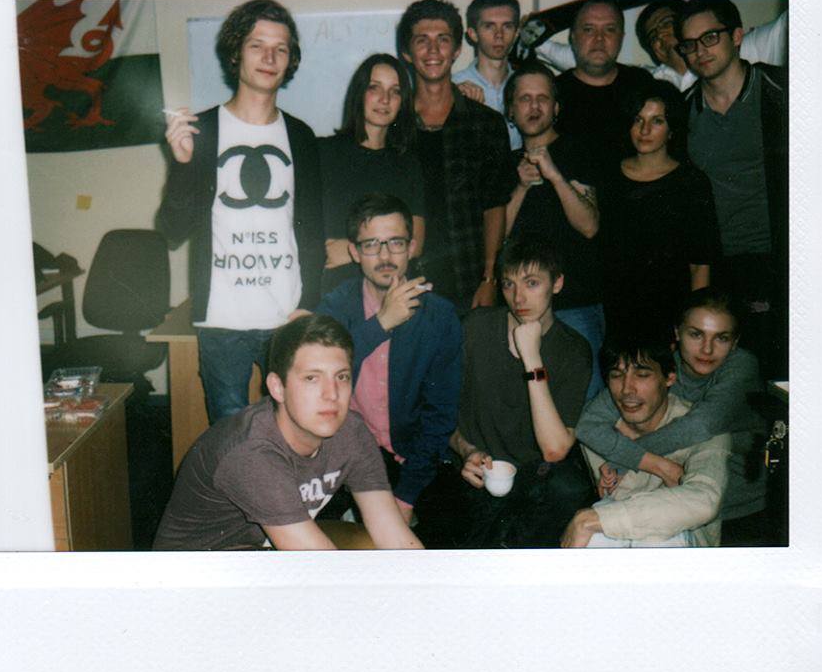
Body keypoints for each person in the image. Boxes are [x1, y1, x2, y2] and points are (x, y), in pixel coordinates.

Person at [154, 0, 324, 424]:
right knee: (230, 437)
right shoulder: (202, 132)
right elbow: (171, 230)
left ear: (290, 60)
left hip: (286, 316)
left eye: (280, 48)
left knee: (294, 429)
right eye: (257, 45)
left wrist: (308, 303)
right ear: (236, 53)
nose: (269, 57)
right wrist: (182, 166)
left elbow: (311, 232)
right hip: (222, 320)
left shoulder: (301, 137)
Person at [153, 314, 424, 551]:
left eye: (341, 376)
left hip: (268, 552)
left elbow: (393, 534)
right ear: (277, 387)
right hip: (201, 574)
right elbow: (319, 565)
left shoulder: (351, 431)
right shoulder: (251, 452)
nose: (332, 394)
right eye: (311, 378)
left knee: (371, 547)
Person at [316, 193, 461, 524]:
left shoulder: (439, 317)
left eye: (395, 243)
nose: (384, 256)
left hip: (409, 460)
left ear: (411, 247)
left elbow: (440, 416)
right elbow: (320, 375)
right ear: (355, 252)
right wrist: (381, 323)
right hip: (342, 453)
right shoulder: (336, 306)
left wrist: (406, 497)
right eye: (371, 245)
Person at [576, 287, 766, 529]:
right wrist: (649, 462)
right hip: (666, 488)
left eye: (721, 338)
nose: (707, 349)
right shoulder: (661, 366)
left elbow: (701, 426)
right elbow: (587, 424)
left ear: (735, 342)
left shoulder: (742, 367)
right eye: (696, 334)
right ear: (677, 332)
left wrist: (622, 461)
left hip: (733, 500)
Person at [449, 234, 595, 548]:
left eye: (531, 283)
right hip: (477, 471)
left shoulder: (573, 350)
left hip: (534, 477)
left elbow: (555, 450)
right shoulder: (475, 328)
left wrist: (532, 358)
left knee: (569, 489)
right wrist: (466, 450)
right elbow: (438, 410)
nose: (518, 298)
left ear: (557, 283)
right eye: (508, 284)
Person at [678, 0, 788, 379]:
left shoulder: (781, 89)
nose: (699, 51)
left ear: (737, 36)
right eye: (689, 44)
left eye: (710, 37)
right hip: (716, 268)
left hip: (779, 258)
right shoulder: (682, 112)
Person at [397, 0, 513, 316]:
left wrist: (489, 278)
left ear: (458, 49)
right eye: (422, 40)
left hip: (469, 283)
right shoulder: (394, 125)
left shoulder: (486, 123)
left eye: (443, 40)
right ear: (407, 52)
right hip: (404, 285)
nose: (433, 50)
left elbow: (495, 206)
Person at [561, 333, 731, 547]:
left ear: (669, 378)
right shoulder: (599, 431)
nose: (627, 389)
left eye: (642, 375)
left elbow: (704, 500)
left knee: (654, 542)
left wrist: (593, 520)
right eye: (616, 375)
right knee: (592, 539)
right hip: (617, 526)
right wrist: (660, 467)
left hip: (679, 541)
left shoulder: (705, 430)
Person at [504, 60, 605, 398]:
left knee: (585, 402)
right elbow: (496, 238)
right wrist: (520, 187)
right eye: (524, 98)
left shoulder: (580, 150)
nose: (534, 106)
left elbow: (590, 226)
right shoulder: (504, 163)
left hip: (576, 304)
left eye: (542, 98)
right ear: (510, 110)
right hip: (519, 307)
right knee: (526, 402)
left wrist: (555, 176)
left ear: (556, 107)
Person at [600, 80, 721, 337]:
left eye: (657, 121)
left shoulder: (692, 183)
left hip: (671, 311)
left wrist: (693, 325)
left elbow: (700, 265)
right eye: (638, 120)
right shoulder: (608, 177)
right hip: (614, 309)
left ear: (672, 129)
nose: (644, 130)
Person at [318, 54, 426, 294]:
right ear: (359, 93)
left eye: (395, 91)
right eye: (374, 88)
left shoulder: (407, 163)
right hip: (335, 290)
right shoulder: (322, 153)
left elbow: (415, 243)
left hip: (392, 289)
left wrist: (351, 250)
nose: (384, 99)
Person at [538, 0, 788, 92]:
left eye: (665, 25)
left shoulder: (739, 47)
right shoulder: (654, 80)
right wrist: (536, 41)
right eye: (652, 37)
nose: (659, 38)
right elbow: (596, 58)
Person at [553, 0, 657, 171]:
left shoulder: (641, 84)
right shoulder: (552, 92)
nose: (599, 38)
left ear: (621, 38)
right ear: (573, 37)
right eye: (588, 29)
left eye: (610, 29)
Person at [451, 0, 524, 148]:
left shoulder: (526, 85)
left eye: (507, 26)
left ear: (516, 33)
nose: (499, 35)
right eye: (489, 26)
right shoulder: (455, 87)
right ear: (473, 34)